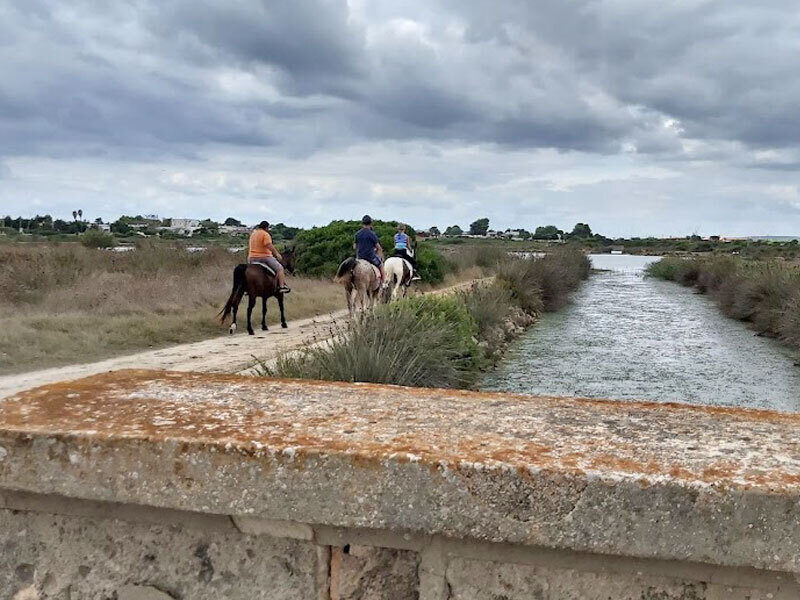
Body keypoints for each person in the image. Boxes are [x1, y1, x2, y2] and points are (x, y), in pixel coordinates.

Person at [248, 221, 291, 293]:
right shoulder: (265, 234)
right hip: (264, 257)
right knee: (280, 268)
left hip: (251, 258)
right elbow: (268, 245)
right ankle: (281, 287)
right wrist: (277, 254)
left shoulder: (253, 234)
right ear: (266, 227)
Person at [355, 214, 384, 283]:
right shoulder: (372, 234)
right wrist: (379, 256)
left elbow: (354, 246)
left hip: (360, 257)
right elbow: (379, 248)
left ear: (362, 223)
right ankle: (384, 283)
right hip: (370, 257)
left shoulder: (357, 234)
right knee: (381, 266)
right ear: (370, 223)